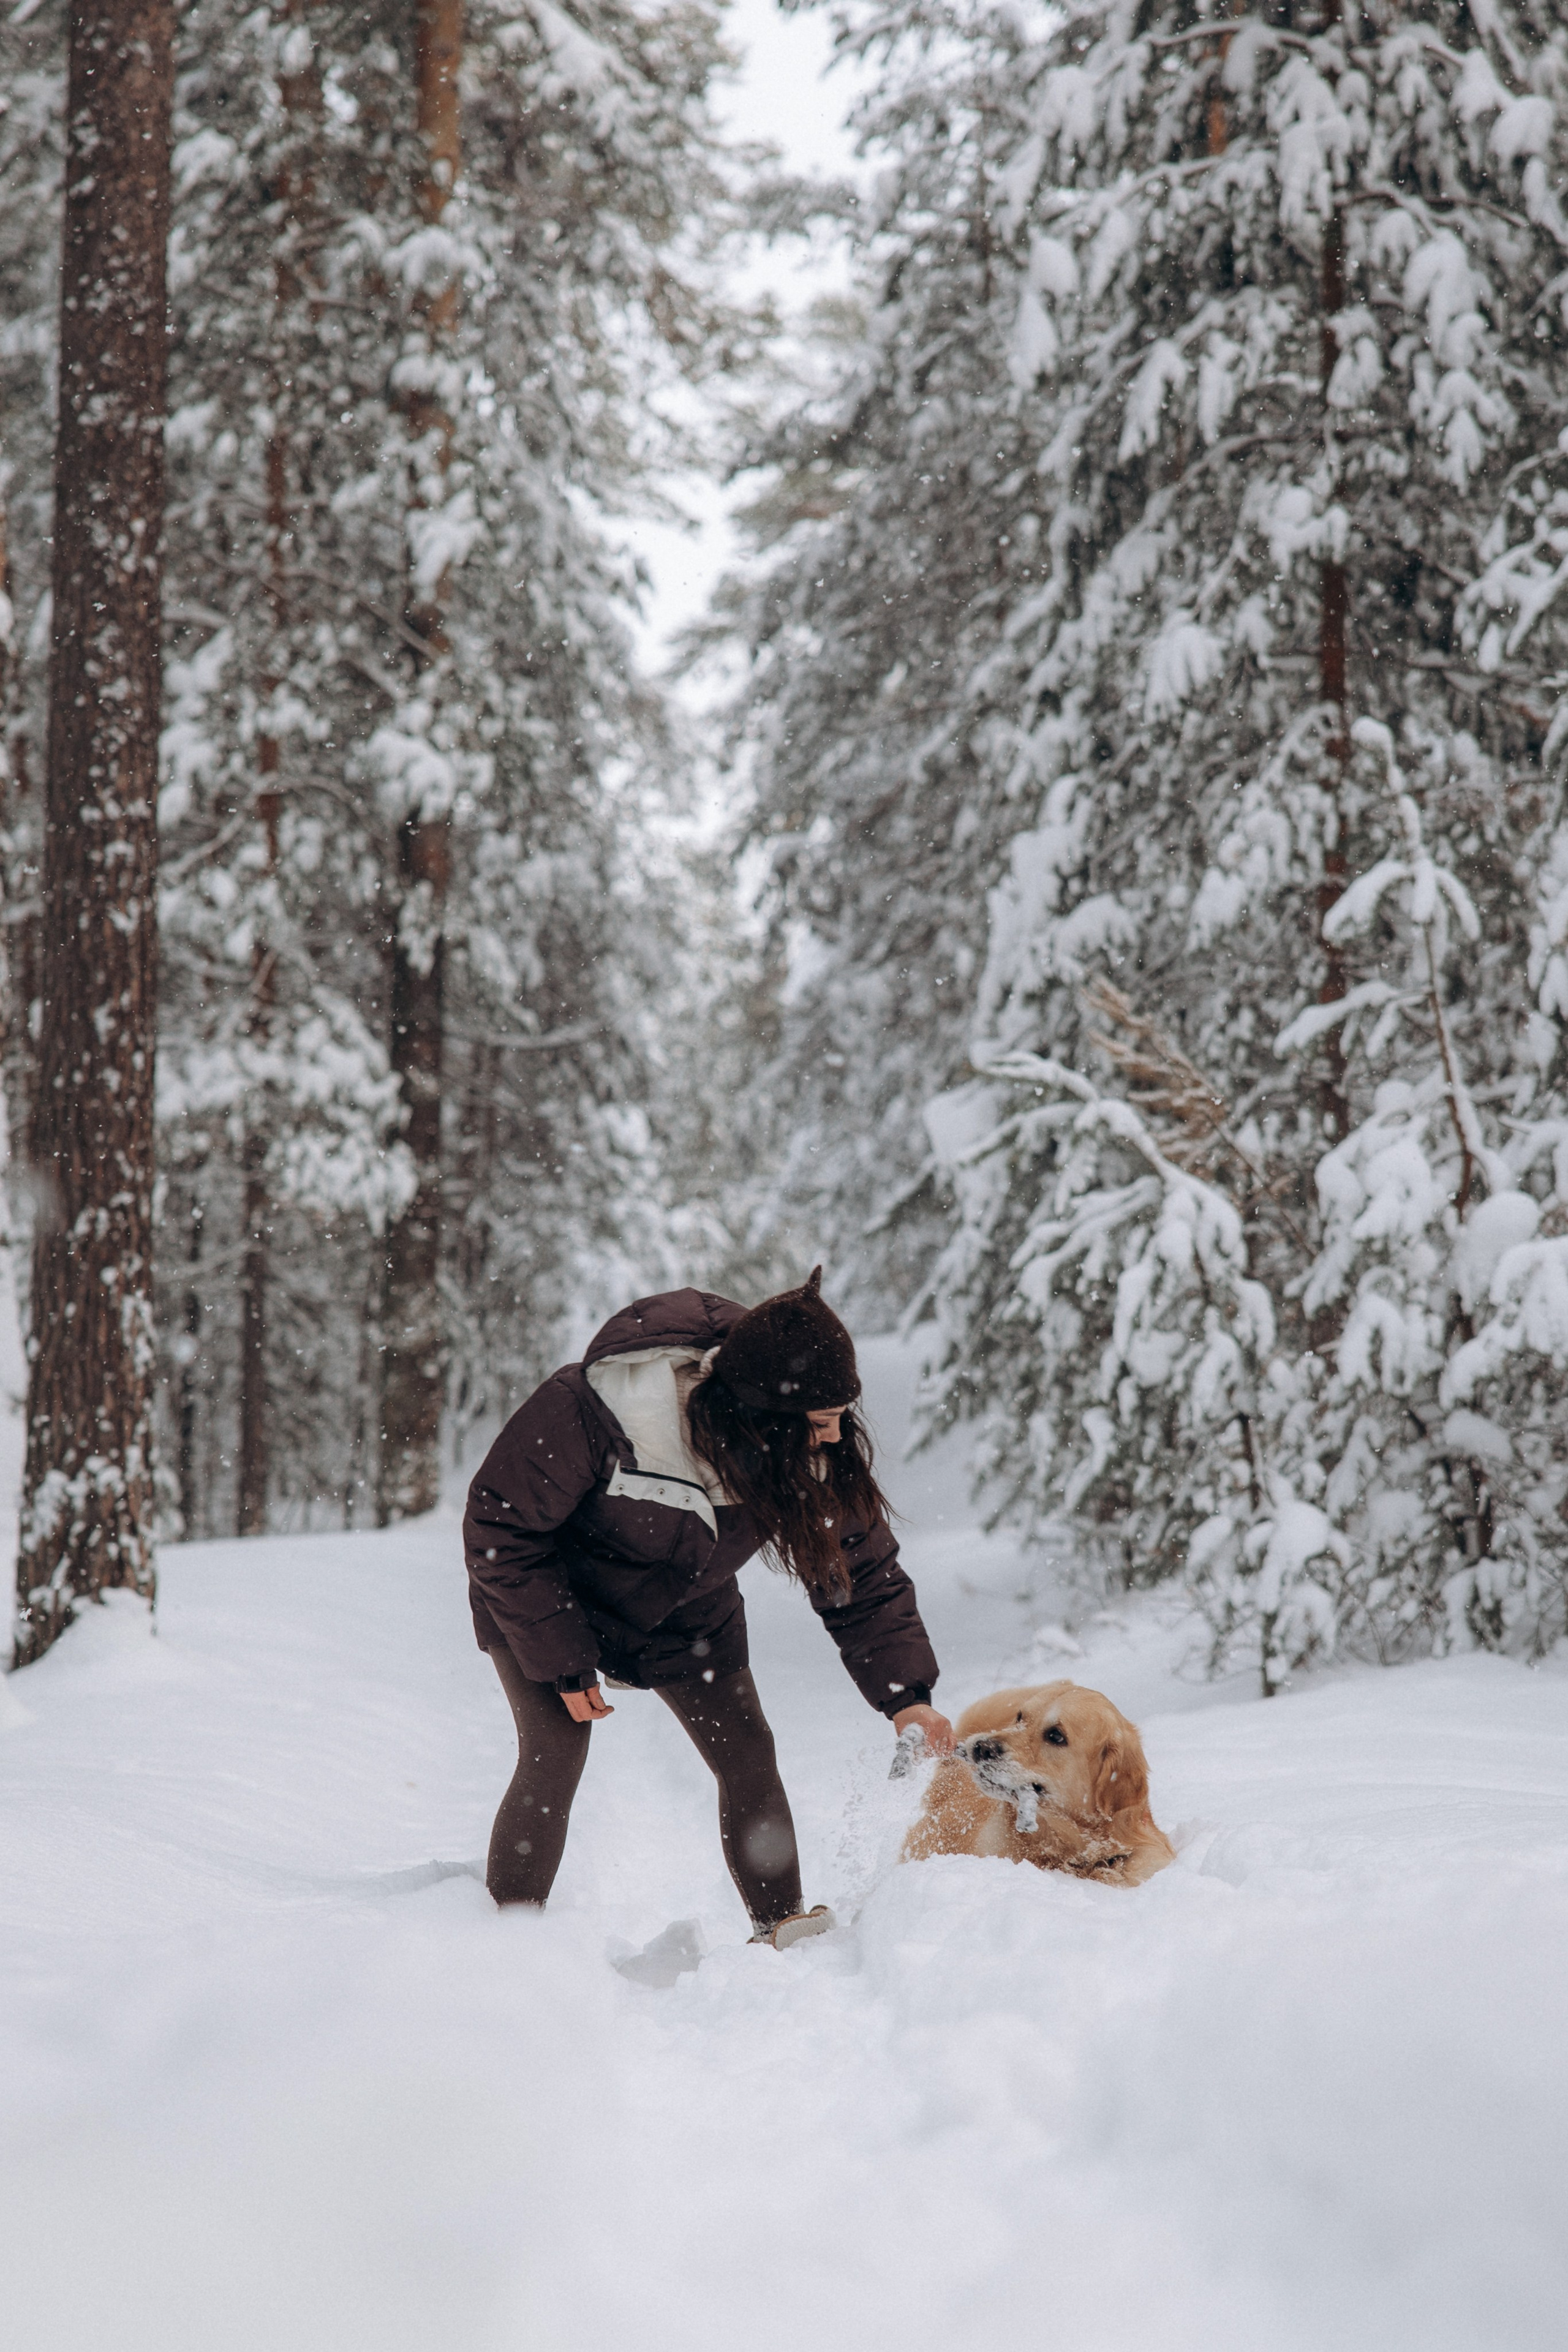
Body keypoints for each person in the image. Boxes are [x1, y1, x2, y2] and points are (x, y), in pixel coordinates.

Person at [462, 1269, 954, 1946]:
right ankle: (506, 1939)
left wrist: (908, 1697)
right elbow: (501, 1527)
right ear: (764, 1416)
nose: (836, 1438)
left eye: (842, 1417)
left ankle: (780, 1926)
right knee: (556, 1748)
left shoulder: (806, 1453)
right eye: (820, 1423)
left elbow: (861, 1574)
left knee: (748, 1753)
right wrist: (564, 1659)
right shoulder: (596, 1409)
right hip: (547, 1595)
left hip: (688, 1607)